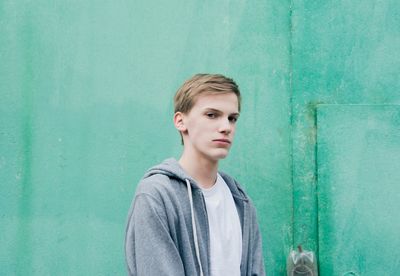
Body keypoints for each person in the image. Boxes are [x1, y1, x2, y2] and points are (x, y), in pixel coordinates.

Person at [125, 74, 265, 276]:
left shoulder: (240, 200)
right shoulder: (157, 195)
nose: (226, 127)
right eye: (212, 115)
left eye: (232, 118)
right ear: (180, 121)